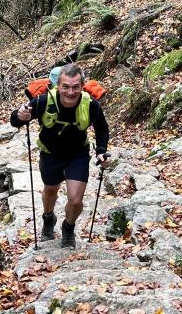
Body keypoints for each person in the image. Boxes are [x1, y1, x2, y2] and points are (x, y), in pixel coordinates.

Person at [10, 64, 109, 248]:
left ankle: (68, 228)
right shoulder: (42, 102)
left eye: (75, 87)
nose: (70, 92)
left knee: (76, 199)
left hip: (77, 154)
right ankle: (48, 218)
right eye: (65, 86)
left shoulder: (91, 105)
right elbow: (15, 121)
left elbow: (101, 128)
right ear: (58, 86)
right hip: (50, 154)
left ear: (81, 85)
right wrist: (20, 115)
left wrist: (101, 150)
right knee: (50, 191)